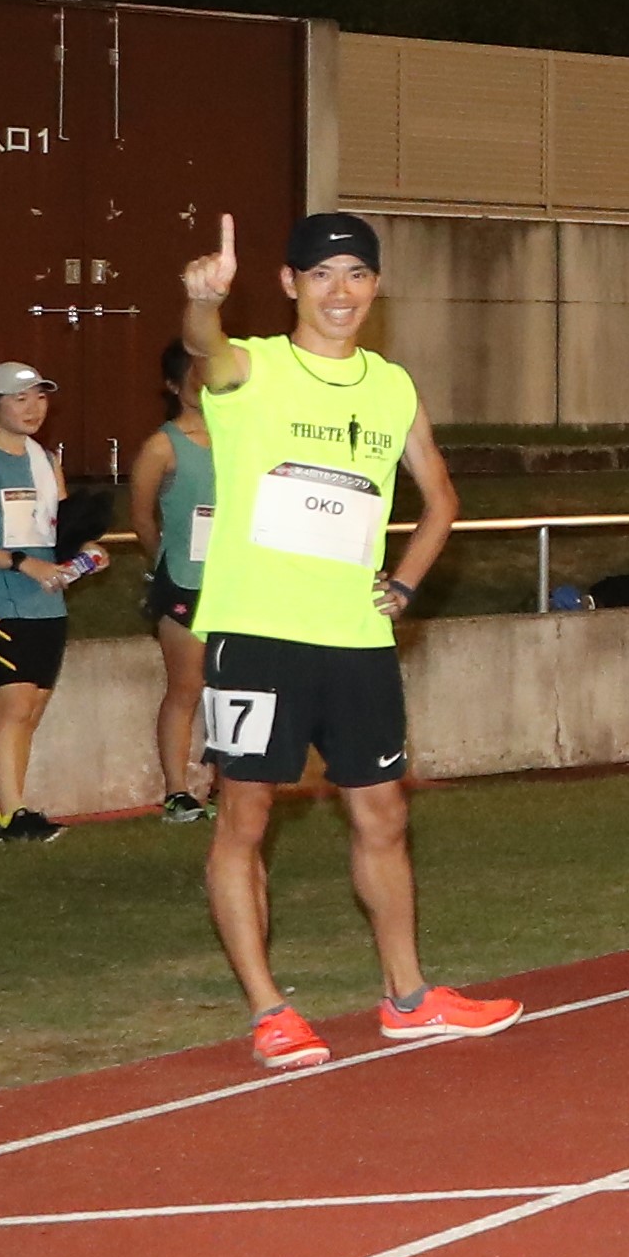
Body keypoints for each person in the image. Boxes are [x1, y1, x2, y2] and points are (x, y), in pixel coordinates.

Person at [174, 212, 520, 1069]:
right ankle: (269, 1010)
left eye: (356, 274)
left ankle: (408, 997)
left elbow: (441, 497)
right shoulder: (252, 365)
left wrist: (404, 585)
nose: (340, 291)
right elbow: (204, 348)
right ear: (289, 283)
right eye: (321, 274)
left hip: (356, 641)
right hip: (258, 634)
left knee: (384, 812)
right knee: (245, 816)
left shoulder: (391, 386)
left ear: (376, 285)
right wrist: (202, 301)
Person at [0, 360, 108, 842]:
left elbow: (59, 533)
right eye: (20, 398)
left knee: (28, 711)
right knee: (12, 706)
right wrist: (20, 563)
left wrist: (87, 553)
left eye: (40, 396)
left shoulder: (44, 461)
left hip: (46, 602)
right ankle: (16, 815)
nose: (34, 407)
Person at [126, 343, 218, 822]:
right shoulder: (162, 446)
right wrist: (162, 560)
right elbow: (142, 517)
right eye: (194, 376)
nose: (205, 384)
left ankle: (227, 781)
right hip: (184, 578)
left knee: (233, 687)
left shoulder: (240, 435)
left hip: (236, 581)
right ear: (173, 384)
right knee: (187, 686)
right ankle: (177, 791)